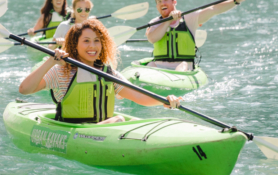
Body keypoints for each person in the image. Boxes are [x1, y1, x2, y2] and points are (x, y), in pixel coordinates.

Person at [19, 19, 182, 124]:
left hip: (103, 133)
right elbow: (25, 89)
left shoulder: (108, 73)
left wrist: (164, 101)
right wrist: (50, 61)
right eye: (86, 41)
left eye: (97, 41)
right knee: (118, 119)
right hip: (75, 134)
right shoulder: (62, 72)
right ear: (75, 45)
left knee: (117, 120)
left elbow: (138, 96)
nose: (93, 46)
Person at [145, 0, 252, 72]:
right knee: (150, 65)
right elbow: (152, 38)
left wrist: (238, 0)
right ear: (157, 6)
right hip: (159, 68)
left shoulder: (189, 18)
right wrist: (168, 20)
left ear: (174, 2)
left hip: (183, 67)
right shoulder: (154, 23)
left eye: (165, 0)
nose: (162, 3)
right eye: (159, 1)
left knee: (182, 65)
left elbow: (214, 9)